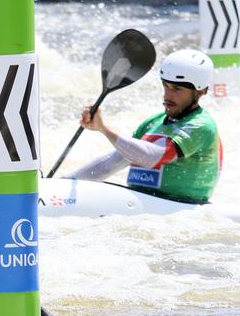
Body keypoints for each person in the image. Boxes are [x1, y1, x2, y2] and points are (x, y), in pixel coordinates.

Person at [68, 49, 222, 203]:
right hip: (141, 202)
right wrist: (66, 182)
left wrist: (104, 129)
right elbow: (111, 163)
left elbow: (152, 157)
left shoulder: (201, 125)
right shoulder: (152, 123)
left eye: (177, 89)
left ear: (200, 91)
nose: (167, 95)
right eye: (166, 86)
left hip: (180, 206)